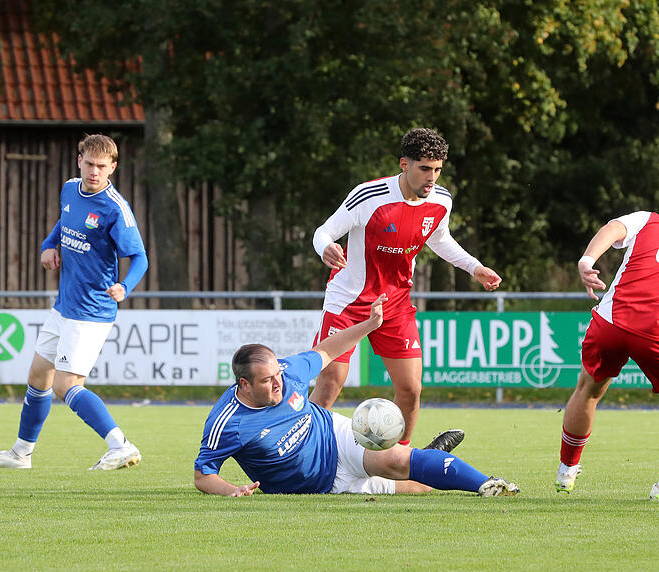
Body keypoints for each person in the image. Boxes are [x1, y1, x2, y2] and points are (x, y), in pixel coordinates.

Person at [194, 295, 519, 497]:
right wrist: (231, 490)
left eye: (278, 375)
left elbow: (326, 349)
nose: (278, 383)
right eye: (267, 381)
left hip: (338, 438)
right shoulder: (228, 422)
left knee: (395, 461)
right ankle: (432, 455)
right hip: (325, 485)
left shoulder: (287, 372)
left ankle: (488, 485)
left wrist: (370, 324)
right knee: (420, 487)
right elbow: (203, 473)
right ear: (244, 384)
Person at [310, 128, 501, 449]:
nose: (432, 177)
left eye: (438, 169)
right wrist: (326, 247)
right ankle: (304, 452)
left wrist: (474, 267)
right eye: (425, 168)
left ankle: (402, 459)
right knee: (330, 382)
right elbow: (323, 231)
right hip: (349, 304)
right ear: (404, 164)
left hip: (395, 305)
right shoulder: (368, 196)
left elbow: (440, 239)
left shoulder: (441, 200)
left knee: (411, 389)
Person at [0, 134, 149, 471]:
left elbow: (139, 257)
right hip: (63, 306)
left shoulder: (115, 208)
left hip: (91, 311)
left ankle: (120, 445)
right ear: (78, 160)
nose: (94, 171)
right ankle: (21, 453)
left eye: (102, 166)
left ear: (112, 168)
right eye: (89, 163)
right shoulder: (70, 189)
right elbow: (63, 223)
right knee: (39, 376)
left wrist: (125, 287)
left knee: (66, 385)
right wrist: (47, 245)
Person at [554, 186, 659, 501]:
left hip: (610, 321)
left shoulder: (649, 219)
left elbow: (612, 228)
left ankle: (566, 472)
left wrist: (587, 259)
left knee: (587, 389)